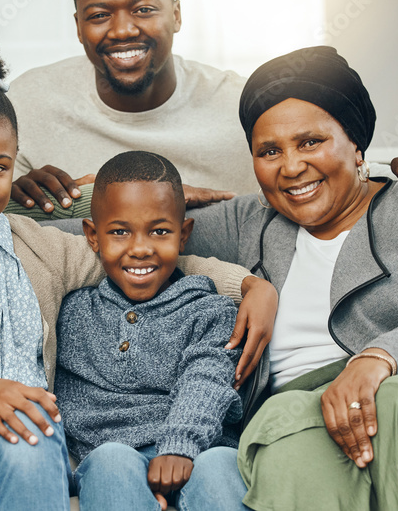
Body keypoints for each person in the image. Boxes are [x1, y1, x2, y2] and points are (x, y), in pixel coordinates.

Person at [0, 39, 276, 510]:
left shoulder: (40, 249)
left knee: (35, 422)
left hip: (30, 443)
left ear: (15, 163)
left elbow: (139, 259)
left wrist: (247, 284)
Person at [184, 46, 398, 509]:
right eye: (269, 151)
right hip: (306, 418)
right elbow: (107, 232)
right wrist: (88, 195)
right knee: (284, 440)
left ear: (356, 144)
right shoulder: (250, 221)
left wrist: (377, 361)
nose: (290, 166)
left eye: (310, 141)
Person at [7, 0, 398, 213]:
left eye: (144, 10)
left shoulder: (239, 103)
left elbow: (332, 167)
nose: (123, 29)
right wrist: (16, 197)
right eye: (99, 14)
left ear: (177, 16)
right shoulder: (32, 99)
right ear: (78, 27)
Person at [56, 150, 268, 511]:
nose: (141, 249)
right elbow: (74, 403)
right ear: (93, 236)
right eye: (120, 232)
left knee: (219, 465)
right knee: (110, 460)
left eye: (159, 231)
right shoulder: (74, 313)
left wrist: (178, 447)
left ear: (183, 235)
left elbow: (206, 380)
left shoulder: (210, 310)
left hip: (196, 447)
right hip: (109, 455)